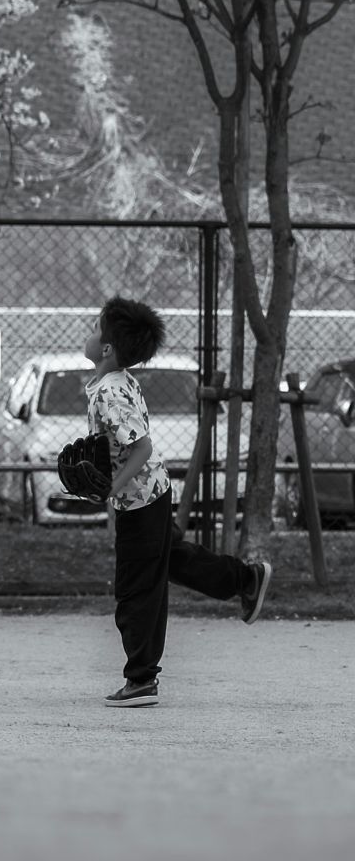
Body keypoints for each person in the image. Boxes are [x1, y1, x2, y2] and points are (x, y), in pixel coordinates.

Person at [90, 296, 272, 707]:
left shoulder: (109, 391)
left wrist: (111, 489)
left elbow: (138, 449)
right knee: (169, 559)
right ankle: (246, 580)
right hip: (148, 494)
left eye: (93, 328)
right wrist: (112, 499)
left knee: (136, 589)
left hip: (140, 498)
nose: (88, 333)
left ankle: (141, 680)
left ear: (106, 349)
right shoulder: (117, 381)